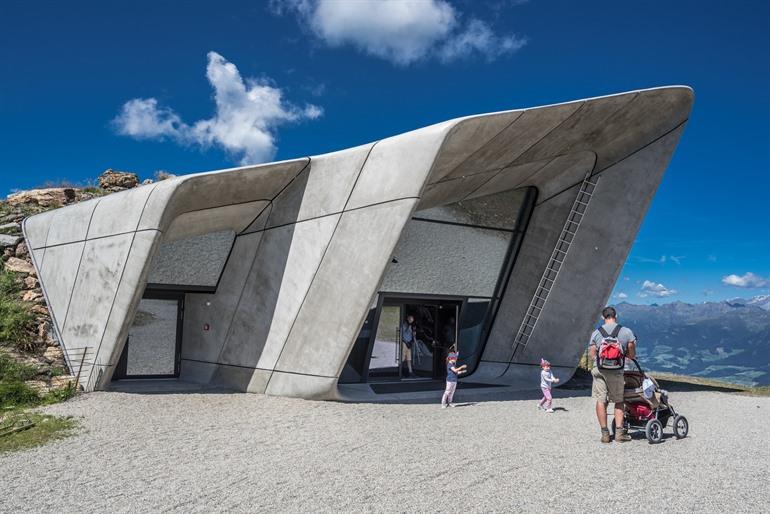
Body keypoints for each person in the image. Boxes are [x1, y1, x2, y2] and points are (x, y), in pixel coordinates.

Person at [589, 306, 637, 443]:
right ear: (616, 315)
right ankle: (619, 434)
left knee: (601, 400)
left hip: (599, 369)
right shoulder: (626, 331)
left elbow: (592, 354)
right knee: (618, 400)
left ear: (603, 318)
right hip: (616, 371)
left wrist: (601, 361)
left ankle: (605, 434)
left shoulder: (596, 333)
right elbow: (632, 352)